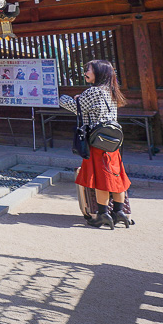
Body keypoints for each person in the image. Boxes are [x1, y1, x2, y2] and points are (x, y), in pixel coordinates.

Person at [60, 60, 133, 228]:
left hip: (97, 141)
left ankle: (102, 214)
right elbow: (89, 107)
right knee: (116, 174)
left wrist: (62, 97)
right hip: (113, 140)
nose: (85, 72)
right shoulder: (112, 91)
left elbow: (75, 107)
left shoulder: (93, 91)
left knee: (102, 177)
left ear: (99, 73)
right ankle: (119, 211)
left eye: (88, 70)